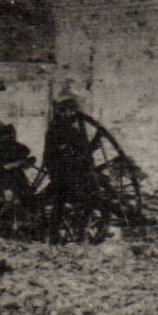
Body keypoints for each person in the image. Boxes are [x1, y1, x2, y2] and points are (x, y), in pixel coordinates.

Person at [43, 96, 100, 241]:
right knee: (70, 202)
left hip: (67, 173)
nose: (71, 115)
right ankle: (68, 234)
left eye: (71, 112)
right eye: (68, 112)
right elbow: (81, 150)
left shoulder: (61, 130)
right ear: (63, 112)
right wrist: (93, 144)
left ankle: (63, 234)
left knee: (64, 204)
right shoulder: (61, 130)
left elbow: (82, 150)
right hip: (65, 174)